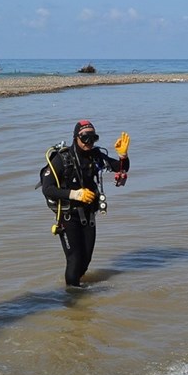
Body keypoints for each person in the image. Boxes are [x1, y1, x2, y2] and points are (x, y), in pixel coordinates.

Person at [40, 120, 130, 287]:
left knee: (85, 259)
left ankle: (77, 292)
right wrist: (75, 194)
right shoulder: (62, 158)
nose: (89, 142)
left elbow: (119, 168)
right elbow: (47, 189)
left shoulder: (95, 155)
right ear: (76, 138)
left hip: (88, 215)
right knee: (74, 259)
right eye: (85, 138)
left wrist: (123, 156)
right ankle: (72, 299)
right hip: (68, 217)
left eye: (93, 138)